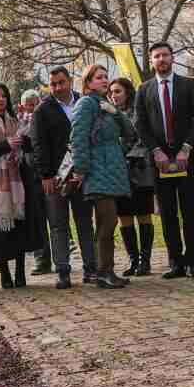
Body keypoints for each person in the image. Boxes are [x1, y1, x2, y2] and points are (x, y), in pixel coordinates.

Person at [135, 42, 194, 279]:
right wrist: (156, 151)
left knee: (189, 211)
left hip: (187, 158)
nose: (161, 59)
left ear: (172, 57)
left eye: (165, 55)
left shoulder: (188, 84)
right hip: (160, 161)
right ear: (151, 60)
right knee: (167, 212)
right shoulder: (144, 89)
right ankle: (176, 262)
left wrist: (187, 147)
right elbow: (140, 124)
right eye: (156, 56)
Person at [68, 64, 134, 289]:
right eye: (99, 78)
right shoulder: (86, 104)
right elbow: (78, 138)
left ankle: (103, 271)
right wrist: (82, 169)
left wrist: (116, 112)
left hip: (112, 169)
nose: (104, 81)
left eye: (106, 77)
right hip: (97, 170)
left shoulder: (105, 104)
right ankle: (104, 271)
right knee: (108, 221)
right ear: (88, 82)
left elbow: (129, 133)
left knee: (107, 222)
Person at [0, 83, 45, 289]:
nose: (1, 99)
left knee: (20, 225)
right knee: (1, 229)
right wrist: (6, 146)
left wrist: (24, 139)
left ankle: (20, 271)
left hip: (19, 180)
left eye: (4, 96)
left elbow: (29, 147)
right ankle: (4, 273)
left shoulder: (16, 120)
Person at [33, 66, 96, 289]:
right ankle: (63, 271)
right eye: (53, 84)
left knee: (85, 223)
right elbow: (39, 145)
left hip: (81, 175)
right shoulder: (42, 110)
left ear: (70, 81)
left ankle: (91, 268)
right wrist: (46, 175)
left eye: (61, 82)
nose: (58, 87)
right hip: (56, 178)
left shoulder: (84, 102)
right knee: (58, 226)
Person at [109, 76, 158, 276]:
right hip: (119, 174)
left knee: (143, 215)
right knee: (125, 217)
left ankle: (145, 260)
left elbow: (144, 138)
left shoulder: (138, 112)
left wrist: (130, 155)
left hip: (139, 170)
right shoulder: (109, 115)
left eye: (118, 91)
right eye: (111, 92)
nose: (114, 96)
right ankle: (133, 260)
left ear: (128, 92)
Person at [20, 89, 54, 276]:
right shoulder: (20, 122)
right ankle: (42, 260)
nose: (32, 108)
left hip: (47, 174)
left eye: (35, 104)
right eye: (28, 105)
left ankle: (60, 258)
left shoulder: (46, 119)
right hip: (30, 177)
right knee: (37, 220)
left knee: (55, 219)